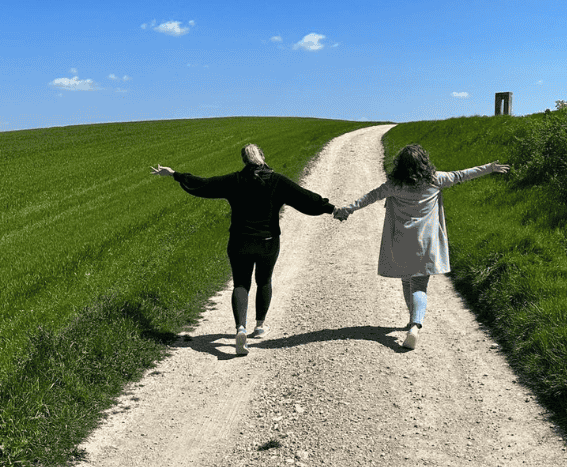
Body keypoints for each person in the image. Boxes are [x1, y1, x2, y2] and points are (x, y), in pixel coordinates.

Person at [151, 144, 335, 355]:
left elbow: (204, 184)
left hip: (240, 241)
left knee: (241, 283)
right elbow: (306, 198)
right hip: (267, 241)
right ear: (262, 157)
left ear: (243, 160)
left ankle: (240, 328)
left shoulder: (235, 180)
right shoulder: (277, 181)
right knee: (264, 281)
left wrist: (174, 174)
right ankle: (259, 326)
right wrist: (332, 209)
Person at [333, 143, 510, 350]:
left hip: (400, 240)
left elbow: (369, 197)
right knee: (419, 285)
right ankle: (415, 326)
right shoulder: (435, 180)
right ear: (424, 162)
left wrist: (347, 209)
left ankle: (412, 321)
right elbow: (463, 175)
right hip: (425, 244)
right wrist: (489, 167)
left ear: (400, 165)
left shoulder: (394, 185)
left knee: (406, 281)